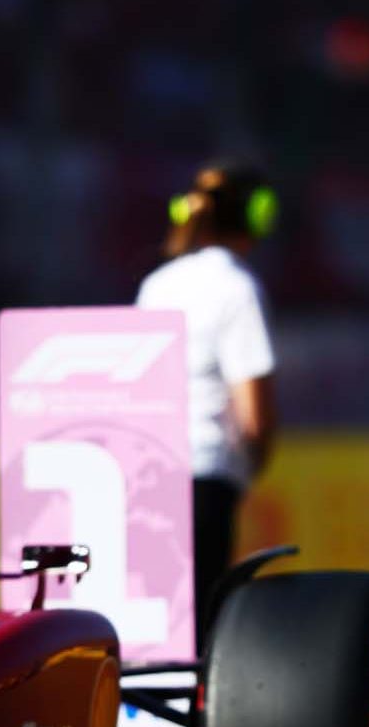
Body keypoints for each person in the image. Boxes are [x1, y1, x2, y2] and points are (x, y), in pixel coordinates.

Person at [135, 162, 281, 620]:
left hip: (149, 476)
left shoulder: (155, 285)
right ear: (256, 217)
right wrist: (253, 462)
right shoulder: (238, 288)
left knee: (160, 623)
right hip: (209, 477)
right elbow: (254, 413)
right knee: (204, 622)